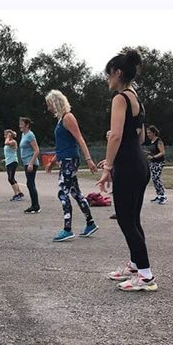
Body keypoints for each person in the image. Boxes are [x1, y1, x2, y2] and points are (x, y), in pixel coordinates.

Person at [96, 49, 156, 291]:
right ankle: (135, 265)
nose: (108, 79)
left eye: (109, 74)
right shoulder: (136, 98)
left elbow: (117, 136)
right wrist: (115, 145)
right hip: (138, 163)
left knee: (125, 219)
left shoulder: (120, 98)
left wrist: (108, 166)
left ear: (118, 72)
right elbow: (139, 137)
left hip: (128, 167)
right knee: (132, 218)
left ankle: (146, 276)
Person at [44, 90, 99, 241]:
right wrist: (53, 162)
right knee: (76, 193)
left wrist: (88, 159)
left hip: (70, 161)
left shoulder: (68, 117)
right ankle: (90, 223)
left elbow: (79, 139)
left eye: (49, 105)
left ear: (56, 102)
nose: (48, 108)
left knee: (63, 192)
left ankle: (67, 229)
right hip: (65, 159)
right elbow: (62, 146)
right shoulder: (60, 119)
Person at [18, 117, 41, 213]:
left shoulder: (30, 135)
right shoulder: (24, 135)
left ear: (27, 125)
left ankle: (35, 206)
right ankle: (35, 205)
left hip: (31, 163)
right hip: (26, 162)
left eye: (21, 124)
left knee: (30, 183)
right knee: (30, 183)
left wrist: (31, 163)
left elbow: (36, 150)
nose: (20, 125)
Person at [144, 125, 167, 204]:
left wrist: (153, 157)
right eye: (147, 133)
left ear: (154, 133)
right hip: (153, 162)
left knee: (156, 178)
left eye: (149, 133)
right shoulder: (152, 142)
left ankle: (163, 195)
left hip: (159, 162)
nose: (148, 134)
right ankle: (159, 195)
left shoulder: (158, 141)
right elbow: (153, 151)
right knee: (154, 178)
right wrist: (146, 153)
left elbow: (162, 152)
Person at [2, 129, 24, 201]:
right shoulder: (9, 141)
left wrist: (8, 137)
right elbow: (9, 152)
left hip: (13, 161)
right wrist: (5, 159)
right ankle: (20, 193)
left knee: (10, 178)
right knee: (12, 178)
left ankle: (16, 195)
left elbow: (6, 143)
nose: (5, 136)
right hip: (9, 161)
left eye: (6, 134)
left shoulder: (13, 142)